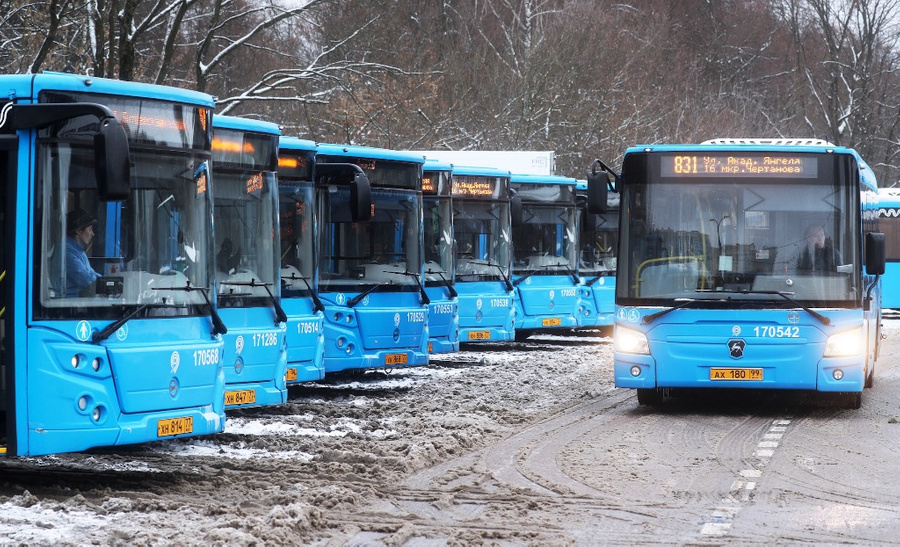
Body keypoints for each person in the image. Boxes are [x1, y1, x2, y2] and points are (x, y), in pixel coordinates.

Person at [66, 208, 101, 297]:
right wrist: (104, 283)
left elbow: (92, 273)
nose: (92, 234)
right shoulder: (67, 253)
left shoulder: (78, 250)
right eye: (89, 229)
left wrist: (106, 280)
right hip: (68, 304)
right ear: (78, 230)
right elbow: (87, 281)